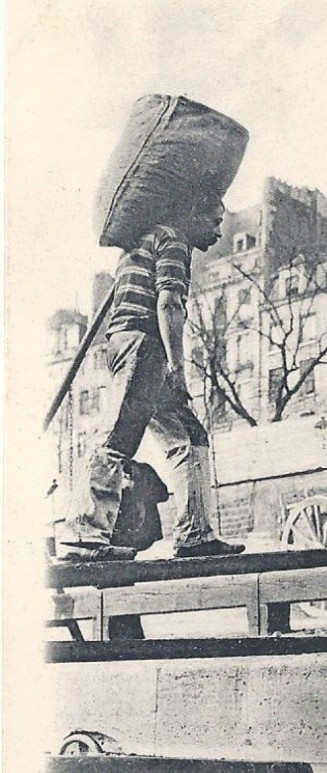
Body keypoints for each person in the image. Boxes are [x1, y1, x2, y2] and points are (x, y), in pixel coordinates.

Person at [59, 193, 244, 562]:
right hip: (145, 343)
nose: (218, 231)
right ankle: (83, 535)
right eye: (214, 220)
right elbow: (169, 303)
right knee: (119, 434)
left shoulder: (140, 243)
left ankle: (195, 533)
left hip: (129, 342)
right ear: (190, 212)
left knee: (190, 436)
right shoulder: (173, 240)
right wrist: (177, 367)